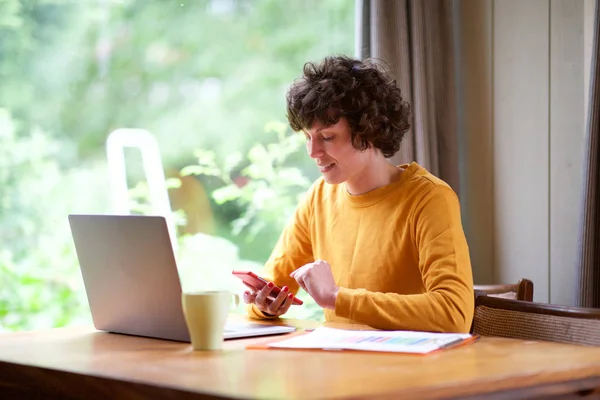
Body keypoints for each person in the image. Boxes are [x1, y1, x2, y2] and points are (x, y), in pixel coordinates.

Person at [243, 55, 474, 333]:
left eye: (327, 137)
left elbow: (454, 314)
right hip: (342, 368)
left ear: (370, 129)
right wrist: (263, 304)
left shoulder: (429, 198)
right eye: (308, 137)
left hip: (408, 371)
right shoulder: (318, 198)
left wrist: (337, 298)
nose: (313, 152)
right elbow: (269, 285)